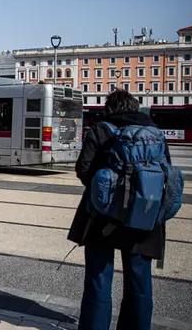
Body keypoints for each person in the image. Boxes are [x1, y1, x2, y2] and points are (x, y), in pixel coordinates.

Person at [67, 90, 167, 330]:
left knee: (99, 280)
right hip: (145, 215)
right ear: (135, 106)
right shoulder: (154, 132)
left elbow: (83, 170)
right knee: (140, 281)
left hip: (103, 218)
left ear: (108, 109)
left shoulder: (101, 130)